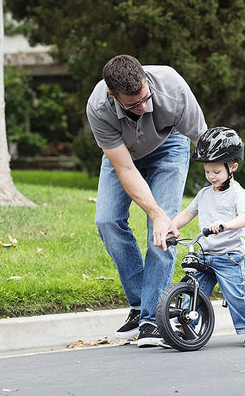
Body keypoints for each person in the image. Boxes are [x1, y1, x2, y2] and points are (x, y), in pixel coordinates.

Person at [86, 55, 207, 347]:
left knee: (164, 232)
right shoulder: (99, 107)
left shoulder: (171, 87)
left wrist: (226, 182)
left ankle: (152, 319)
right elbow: (125, 168)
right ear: (112, 95)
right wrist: (155, 213)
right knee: (107, 221)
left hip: (170, 146)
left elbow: (203, 139)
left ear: (145, 80)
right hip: (124, 156)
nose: (143, 107)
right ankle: (144, 306)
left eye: (145, 98)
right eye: (133, 105)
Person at [171, 126, 245, 346]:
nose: (211, 176)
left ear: (233, 167)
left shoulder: (237, 193)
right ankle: (184, 328)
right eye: (207, 171)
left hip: (229, 256)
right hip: (206, 254)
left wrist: (227, 225)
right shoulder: (203, 194)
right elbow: (187, 213)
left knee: (234, 294)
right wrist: (171, 227)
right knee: (193, 291)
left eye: (216, 172)